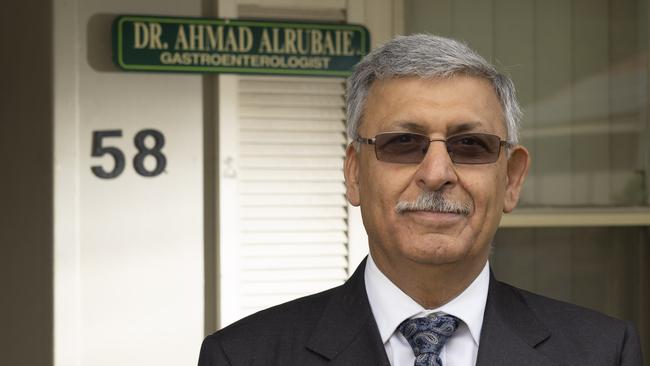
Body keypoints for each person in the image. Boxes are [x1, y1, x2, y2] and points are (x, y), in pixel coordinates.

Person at [198, 34, 644, 366]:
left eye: (470, 145)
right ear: (354, 173)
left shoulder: (602, 352)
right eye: (404, 143)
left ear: (511, 178)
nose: (436, 173)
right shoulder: (244, 356)